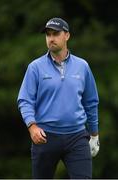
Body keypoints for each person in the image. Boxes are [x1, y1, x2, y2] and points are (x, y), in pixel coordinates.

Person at [17, 17, 100, 179]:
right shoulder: (35, 67)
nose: (51, 39)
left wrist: (94, 134)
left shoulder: (82, 66)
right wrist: (32, 126)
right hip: (45, 137)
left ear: (67, 36)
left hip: (77, 137)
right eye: (48, 35)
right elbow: (25, 100)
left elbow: (91, 101)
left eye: (56, 34)